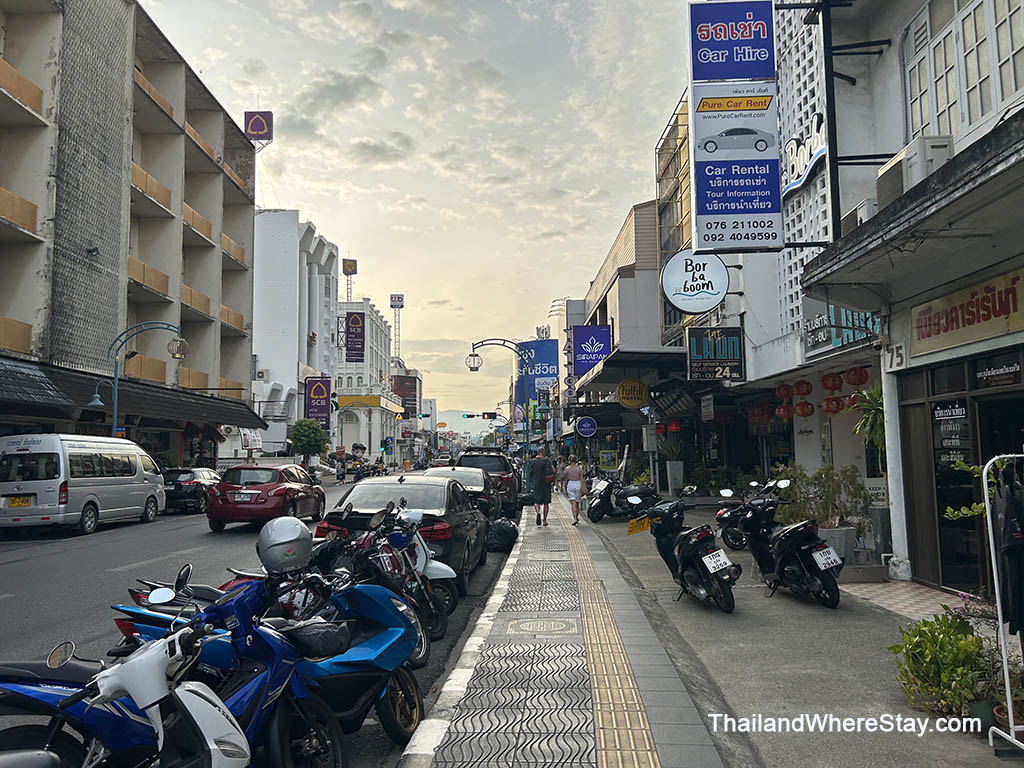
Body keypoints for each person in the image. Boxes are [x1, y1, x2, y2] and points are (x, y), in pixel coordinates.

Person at [529, 448, 555, 526]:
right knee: (546, 503)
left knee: (536, 501)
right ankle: (545, 520)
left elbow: (531, 473)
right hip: (546, 483)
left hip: (537, 483)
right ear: (543, 452)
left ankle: (538, 512)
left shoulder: (532, 461)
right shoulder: (547, 460)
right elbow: (553, 471)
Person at [564, 454, 585, 525]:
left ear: (569, 461)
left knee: (573, 503)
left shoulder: (567, 469)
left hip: (570, 484)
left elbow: (566, 478)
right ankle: (577, 517)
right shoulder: (579, 468)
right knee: (577, 502)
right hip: (578, 484)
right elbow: (582, 478)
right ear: (576, 461)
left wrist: (565, 486)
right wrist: (583, 487)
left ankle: (575, 518)